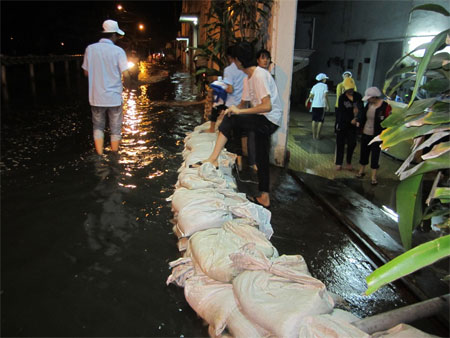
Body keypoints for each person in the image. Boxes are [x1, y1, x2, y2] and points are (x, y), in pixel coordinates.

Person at [190, 41, 282, 209]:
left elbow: (267, 106)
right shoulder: (248, 77)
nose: (233, 63)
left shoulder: (259, 75)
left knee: (233, 120)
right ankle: (264, 197)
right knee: (262, 157)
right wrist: (232, 110)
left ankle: (213, 159)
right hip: (262, 118)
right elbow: (243, 104)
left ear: (239, 61)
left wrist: (238, 113)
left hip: (269, 119)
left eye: (234, 60)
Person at [82, 19, 130, 156]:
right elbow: (125, 73)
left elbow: (86, 73)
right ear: (114, 35)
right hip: (114, 97)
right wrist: (129, 86)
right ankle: (114, 155)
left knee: (98, 126)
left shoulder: (90, 49)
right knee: (115, 128)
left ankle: (100, 154)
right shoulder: (118, 51)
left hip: (96, 97)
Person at [204, 46, 247, 134]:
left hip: (232, 103)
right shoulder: (245, 68)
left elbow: (230, 90)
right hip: (244, 101)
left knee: (216, 104)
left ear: (230, 57)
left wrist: (221, 87)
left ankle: (212, 128)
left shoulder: (229, 69)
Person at [355, 87, 392, 185]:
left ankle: (373, 176)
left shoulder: (385, 106)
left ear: (375, 97)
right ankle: (361, 171)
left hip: (377, 135)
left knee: (375, 155)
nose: (368, 100)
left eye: (369, 98)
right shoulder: (368, 105)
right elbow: (362, 115)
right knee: (364, 152)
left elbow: (388, 121)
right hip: (366, 133)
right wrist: (359, 122)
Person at [334, 77, 362, 171]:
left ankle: (348, 162)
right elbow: (341, 112)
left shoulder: (358, 96)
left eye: (352, 89)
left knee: (352, 143)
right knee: (340, 143)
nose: (350, 90)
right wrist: (350, 120)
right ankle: (339, 162)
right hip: (343, 123)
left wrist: (357, 119)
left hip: (353, 126)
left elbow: (361, 109)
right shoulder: (342, 98)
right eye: (348, 89)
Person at [305, 73, 329, 140]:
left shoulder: (314, 86)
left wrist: (307, 100)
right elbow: (325, 96)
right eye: (325, 79)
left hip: (314, 105)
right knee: (320, 121)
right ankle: (318, 135)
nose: (326, 80)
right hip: (322, 105)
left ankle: (313, 135)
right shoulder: (325, 86)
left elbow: (311, 95)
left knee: (314, 120)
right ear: (323, 79)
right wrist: (327, 105)